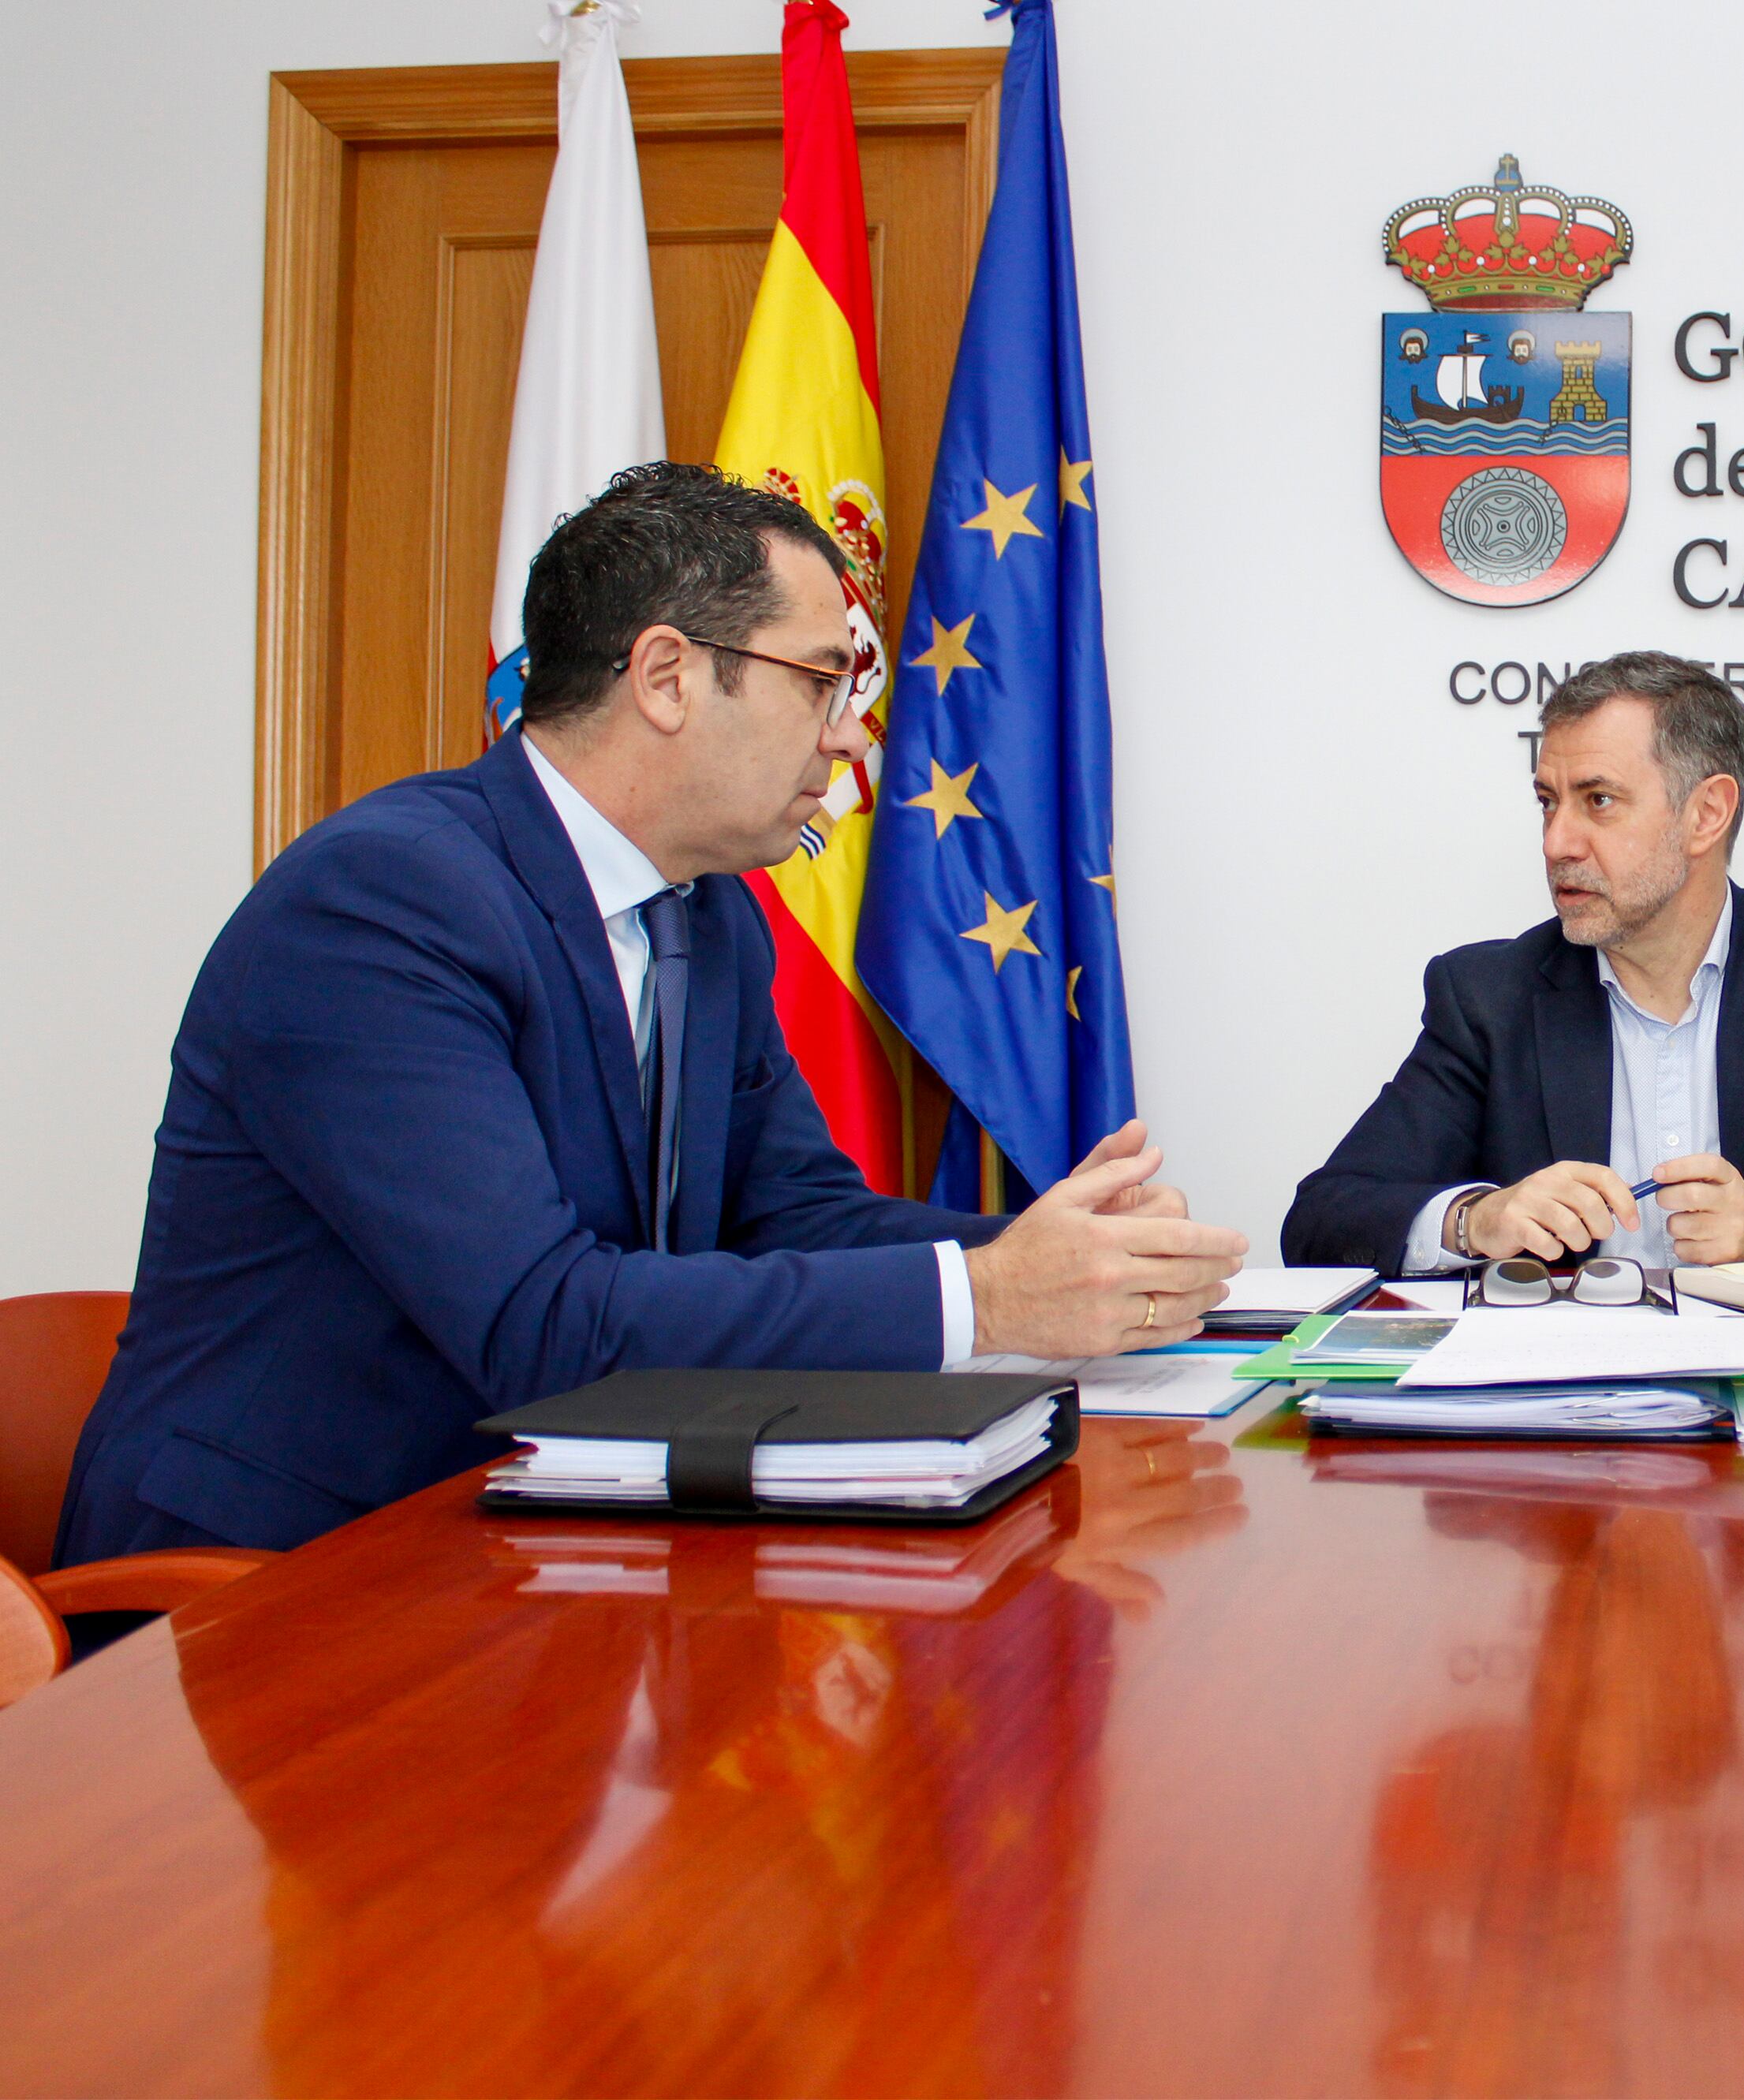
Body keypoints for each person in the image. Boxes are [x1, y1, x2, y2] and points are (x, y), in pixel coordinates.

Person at [59, 463, 1244, 1560]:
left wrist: (1078, 1263)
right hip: (272, 1577)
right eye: (825, 681)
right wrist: (991, 1296)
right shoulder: (381, 904)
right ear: (670, 676)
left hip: (530, 1544)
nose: (849, 735)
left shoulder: (709, 912)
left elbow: (793, 1214)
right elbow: (547, 1326)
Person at [1283, 651, 1744, 1276]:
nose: (1557, 842)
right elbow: (1321, 1220)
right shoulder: (1490, 999)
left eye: (1599, 801)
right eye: (1548, 801)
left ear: (1706, 813)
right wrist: (1473, 1218)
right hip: (1563, 1427)